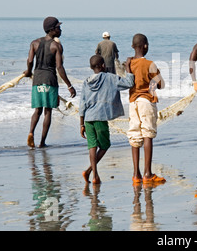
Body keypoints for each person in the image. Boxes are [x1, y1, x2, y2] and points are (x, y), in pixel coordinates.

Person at [79, 55, 135, 184]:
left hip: (88, 118)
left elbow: (82, 104)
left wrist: (81, 124)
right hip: (100, 117)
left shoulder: (86, 81)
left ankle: (94, 175)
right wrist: (128, 69)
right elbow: (129, 83)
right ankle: (90, 172)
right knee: (105, 145)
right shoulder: (110, 78)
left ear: (91, 68)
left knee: (92, 146)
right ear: (103, 65)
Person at [24, 16, 76, 148]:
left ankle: (31, 132)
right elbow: (59, 67)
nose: (60, 29)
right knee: (48, 111)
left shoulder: (34, 43)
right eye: (58, 27)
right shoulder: (56, 46)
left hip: (37, 80)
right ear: (52, 30)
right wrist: (69, 86)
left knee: (37, 110)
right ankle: (42, 142)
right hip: (50, 80)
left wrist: (29, 72)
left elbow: (30, 61)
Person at [127, 33, 166, 184]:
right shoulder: (150, 64)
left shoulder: (129, 64)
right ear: (146, 46)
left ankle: (136, 175)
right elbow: (161, 85)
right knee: (147, 134)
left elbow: (129, 81)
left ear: (132, 46)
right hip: (146, 101)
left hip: (132, 102)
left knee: (135, 136)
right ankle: (147, 174)